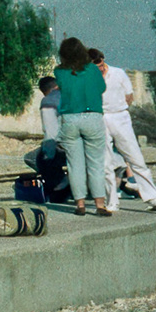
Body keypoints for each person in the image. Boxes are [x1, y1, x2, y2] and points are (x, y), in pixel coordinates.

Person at [92, 48, 156, 212]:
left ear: (103, 60)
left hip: (120, 117)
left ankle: (153, 197)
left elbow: (129, 96)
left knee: (135, 157)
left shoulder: (118, 73)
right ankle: (112, 201)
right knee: (105, 162)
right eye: (95, 66)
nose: (100, 68)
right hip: (101, 117)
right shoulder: (89, 78)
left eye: (100, 64)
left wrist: (120, 109)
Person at [53, 37, 112, 216]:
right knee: (96, 163)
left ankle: (80, 204)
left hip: (70, 118)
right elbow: (102, 88)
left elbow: (63, 86)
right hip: (92, 116)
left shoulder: (59, 71)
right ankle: (100, 204)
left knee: (74, 164)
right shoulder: (92, 69)